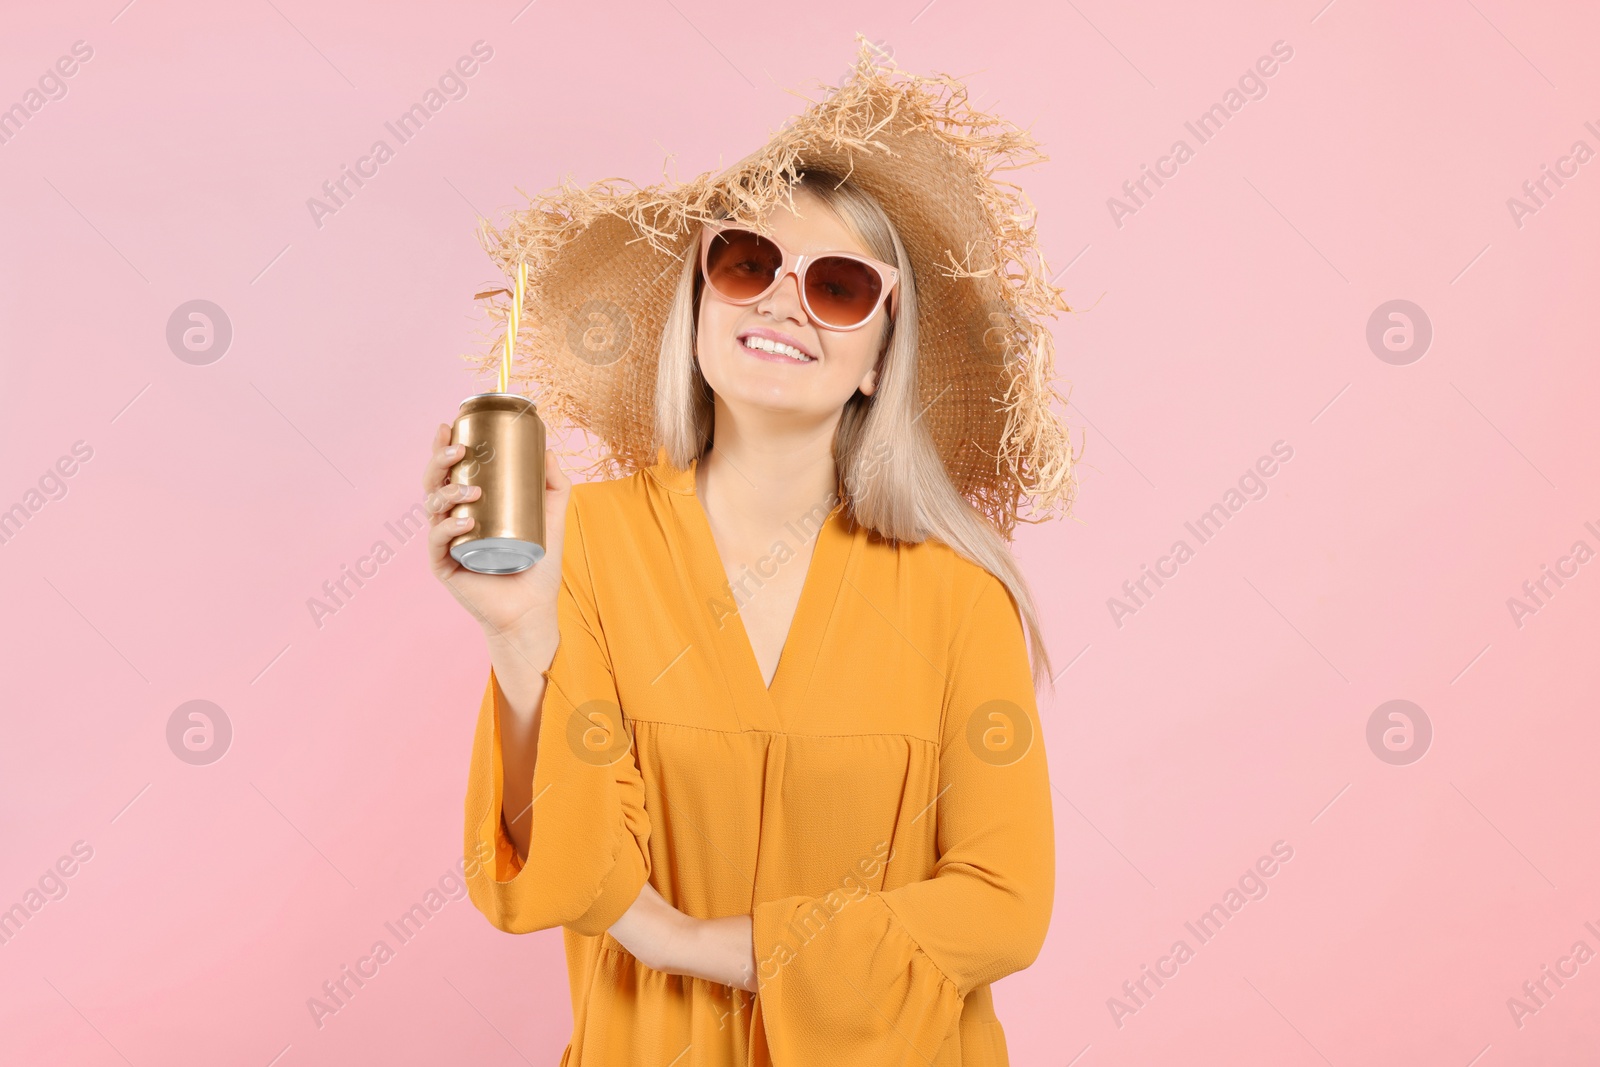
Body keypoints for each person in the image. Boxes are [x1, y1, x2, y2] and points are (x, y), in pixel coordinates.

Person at [424, 37, 1079, 1066]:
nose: (781, 299)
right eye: (746, 262)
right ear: (699, 303)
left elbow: (1002, 906)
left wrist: (689, 940)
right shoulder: (584, 544)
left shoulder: (960, 597)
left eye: (837, 287)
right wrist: (519, 636)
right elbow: (559, 871)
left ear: (878, 354)